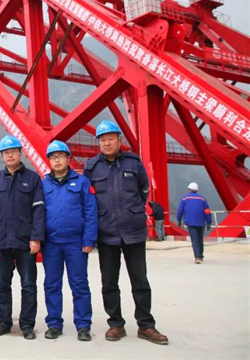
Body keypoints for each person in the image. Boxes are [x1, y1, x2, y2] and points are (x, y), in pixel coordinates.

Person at [84, 120, 168, 345]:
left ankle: (146, 325)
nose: (107, 143)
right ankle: (116, 324)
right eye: (102, 140)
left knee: (140, 280)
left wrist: (132, 211)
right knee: (109, 282)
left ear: (119, 140)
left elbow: (143, 190)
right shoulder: (91, 167)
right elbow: (88, 198)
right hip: (106, 231)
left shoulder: (133, 163)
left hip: (133, 230)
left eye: (110, 139)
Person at [0, 135, 44, 339]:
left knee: (28, 284)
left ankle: (27, 325)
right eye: (6, 153)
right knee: (2, 284)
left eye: (13, 152)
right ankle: (4, 322)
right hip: (1, 240)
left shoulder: (33, 179)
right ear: (2, 156)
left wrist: (36, 237)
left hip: (25, 241)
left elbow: (38, 210)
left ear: (20, 153)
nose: (9, 155)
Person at [41, 141, 97, 342]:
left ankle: (83, 325)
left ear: (67, 158)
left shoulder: (82, 182)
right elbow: (37, 214)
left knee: (79, 284)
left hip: (75, 242)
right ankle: (54, 324)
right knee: (52, 284)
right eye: (53, 157)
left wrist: (89, 239)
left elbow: (90, 211)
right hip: (51, 243)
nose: (57, 160)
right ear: (49, 161)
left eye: (60, 156)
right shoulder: (43, 184)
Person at [177, 182, 212, 264]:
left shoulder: (184, 198)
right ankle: (201, 256)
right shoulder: (202, 199)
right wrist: (209, 222)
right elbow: (207, 211)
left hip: (190, 222)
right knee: (200, 239)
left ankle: (197, 257)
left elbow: (180, 210)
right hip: (201, 222)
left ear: (189, 189)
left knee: (194, 239)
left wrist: (179, 220)